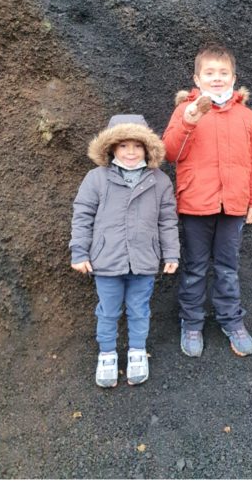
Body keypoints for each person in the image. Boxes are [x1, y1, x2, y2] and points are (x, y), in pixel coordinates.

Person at [162, 45, 252, 358]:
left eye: (223, 73)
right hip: (196, 204)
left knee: (227, 268)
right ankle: (192, 322)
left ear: (233, 77)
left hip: (234, 205)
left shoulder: (246, 116)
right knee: (195, 268)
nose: (217, 79)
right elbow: (170, 153)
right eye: (210, 73)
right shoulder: (185, 110)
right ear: (197, 78)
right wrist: (189, 121)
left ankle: (231, 321)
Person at [70, 114, 180, 387]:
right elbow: (82, 215)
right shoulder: (96, 178)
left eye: (137, 146)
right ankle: (107, 354)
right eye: (123, 146)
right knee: (107, 311)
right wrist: (79, 253)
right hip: (107, 261)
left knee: (139, 309)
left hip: (143, 261)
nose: (130, 152)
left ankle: (137, 352)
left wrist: (171, 253)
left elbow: (167, 220)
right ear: (111, 149)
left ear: (147, 148)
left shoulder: (160, 181)